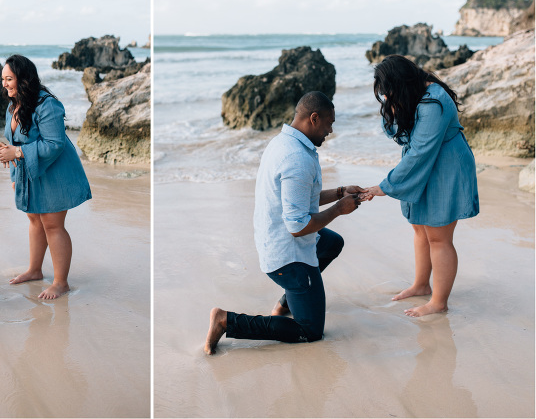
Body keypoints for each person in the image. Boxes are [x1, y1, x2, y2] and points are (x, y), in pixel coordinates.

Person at [205, 91, 366, 354]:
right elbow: (297, 226)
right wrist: (339, 209)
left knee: (331, 242)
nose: (331, 130)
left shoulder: (284, 142)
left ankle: (286, 303)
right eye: (329, 123)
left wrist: (340, 192)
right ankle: (226, 320)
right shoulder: (297, 159)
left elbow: (302, 200)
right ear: (314, 118)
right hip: (287, 256)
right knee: (310, 332)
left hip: (273, 237)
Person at [363, 55, 479, 317]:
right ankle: (421, 284)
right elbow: (402, 136)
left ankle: (439, 302)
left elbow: (419, 152)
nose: (388, 97)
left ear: (401, 83)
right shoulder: (412, 94)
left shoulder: (433, 102)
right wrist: (392, 112)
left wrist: (385, 186)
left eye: (389, 91)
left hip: (446, 166)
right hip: (425, 163)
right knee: (419, 227)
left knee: (439, 237)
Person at [0, 55, 92, 300]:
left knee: (52, 225)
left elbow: (55, 144)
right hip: (29, 172)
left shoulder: (48, 105)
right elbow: (15, 142)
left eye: (9, 79)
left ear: (23, 79)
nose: (4, 84)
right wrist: (15, 173)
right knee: (35, 221)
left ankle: (61, 283)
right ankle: (35, 270)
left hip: (55, 172)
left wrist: (16, 153)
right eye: (3, 79)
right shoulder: (13, 104)